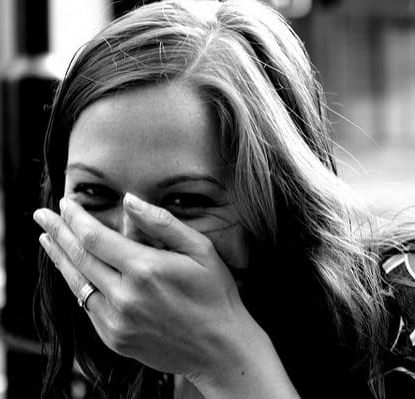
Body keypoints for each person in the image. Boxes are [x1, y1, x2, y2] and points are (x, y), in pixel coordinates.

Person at [31, 1, 415, 398]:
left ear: (278, 200)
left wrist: (225, 360)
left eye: (184, 201)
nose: (131, 245)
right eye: (94, 193)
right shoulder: (112, 364)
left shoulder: (402, 308)